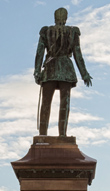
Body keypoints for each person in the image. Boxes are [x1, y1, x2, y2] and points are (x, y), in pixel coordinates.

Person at [33, 7, 93, 137]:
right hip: (66, 69)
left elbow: (39, 53)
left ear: (55, 18)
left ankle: (43, 135)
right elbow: (78, 54)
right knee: (64, 104)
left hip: (50, 69)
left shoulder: (46, 31)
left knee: (45, 104)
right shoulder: (72, 32)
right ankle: (62, 135)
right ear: (65, 18)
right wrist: (84, 74)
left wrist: (37, 71)